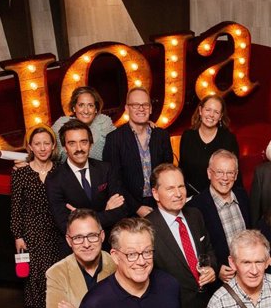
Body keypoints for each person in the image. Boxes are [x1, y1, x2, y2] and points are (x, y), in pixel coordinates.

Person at [147, 164, 218, 308]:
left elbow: (209, 250)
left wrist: (212, 268)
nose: (178, 194)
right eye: (170, 188)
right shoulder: (147, 229)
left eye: (181, 186)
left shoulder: (195, 215)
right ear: (155, 194)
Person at [11, 125, 68, 308]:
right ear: (30, 147)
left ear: (53, 146)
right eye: (37, 144)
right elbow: (16, 207)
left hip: (58, 230)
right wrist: (18, 236)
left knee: (59, 270)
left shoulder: (61, 171)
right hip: (33, 232)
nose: (42, 148)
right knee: (38, 273)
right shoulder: (20, 174)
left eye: (46, 143)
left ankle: (60, 307)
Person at [44, 209, 114, 308]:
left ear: (102, 236)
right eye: (78, 238)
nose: (86, 244)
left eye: (92, 236)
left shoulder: (116, 265)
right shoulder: (56, 273)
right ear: (69, 241)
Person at [46, 119, 128, 234]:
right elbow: (64, 224)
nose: (79, 148)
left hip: (108, 239)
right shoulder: (54, 179)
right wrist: (106, 212)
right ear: (64, 147)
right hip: (77, 242)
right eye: (72, 143)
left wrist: (79, 218)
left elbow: (121, 211)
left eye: (84, 142)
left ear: (91, 144)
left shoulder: (106, 169)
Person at [104, 87, 175, 217]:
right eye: (135, 105)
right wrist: (136, 208)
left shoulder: (162, 135)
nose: (141, 108)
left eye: (145, 105)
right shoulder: (114, 139)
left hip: (161, 205)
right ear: (127, 108)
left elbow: (168, 173)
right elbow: (114, 181)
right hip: (129, 209)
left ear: (150, 108)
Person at [191, 149, 252, 279]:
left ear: (236, 175)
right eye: (219, 172)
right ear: (209, 173)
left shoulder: (242, 196)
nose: (225, 178)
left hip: (248, 273)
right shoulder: (196, 206)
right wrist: (216, 268)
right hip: (221, 282)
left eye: (230, 173)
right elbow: (195, 248)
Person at [178, 94, 239, 196]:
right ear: (200, 111)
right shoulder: (187, 136)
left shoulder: (228, 139)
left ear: (220, 116)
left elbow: (234, 173)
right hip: (190, 197)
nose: (211, 115)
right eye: (208, 110)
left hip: (218, 197)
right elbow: (182, 169)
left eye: (216, 112)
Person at [51, 85, 115, 162]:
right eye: (81, 105)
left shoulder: (104, 123)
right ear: (74, 108)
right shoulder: (61, 125)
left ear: (96, 109)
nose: (86, 111)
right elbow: (51, 155)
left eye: (90, 105)